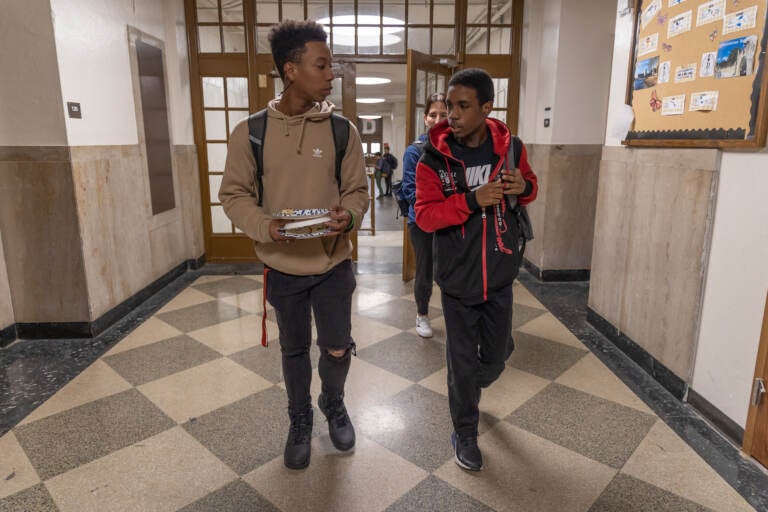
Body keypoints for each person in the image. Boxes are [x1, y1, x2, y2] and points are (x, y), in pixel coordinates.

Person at [219, 19, 369, 470]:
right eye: (321, 65)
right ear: (290, 70)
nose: (331, 73)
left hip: (332, 263)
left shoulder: (343, 131)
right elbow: (234, 195)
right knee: (293, 349)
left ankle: (333, 403)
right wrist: (266, 226)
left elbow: (358, 191)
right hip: (283, 266)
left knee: (338, 345)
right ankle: (299, 418)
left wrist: (351, 214)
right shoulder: (251, 132)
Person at [414, 68, 538, 471]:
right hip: (457, 281)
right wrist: (471, 200)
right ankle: (464, 431)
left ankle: (482, 373)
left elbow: (531, 185)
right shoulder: (433, 158)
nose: (452, 114)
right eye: (449, 105)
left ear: (487, 107)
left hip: (501, 276)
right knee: (461, 363)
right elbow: (426, 216)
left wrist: (524, 187)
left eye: (463, 106)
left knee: (497, 355)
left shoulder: (511, 148)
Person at [401, 93, 448, 338]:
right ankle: (422, 315)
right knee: (425, 270)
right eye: (433, 115)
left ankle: (456, 315)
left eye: (443, 114)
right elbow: (410, 190)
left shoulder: (455, 150)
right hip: (421, 223)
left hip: (451, 221)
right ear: (425, 118)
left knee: (452, 271)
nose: (438, 119)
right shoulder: (415, 151)